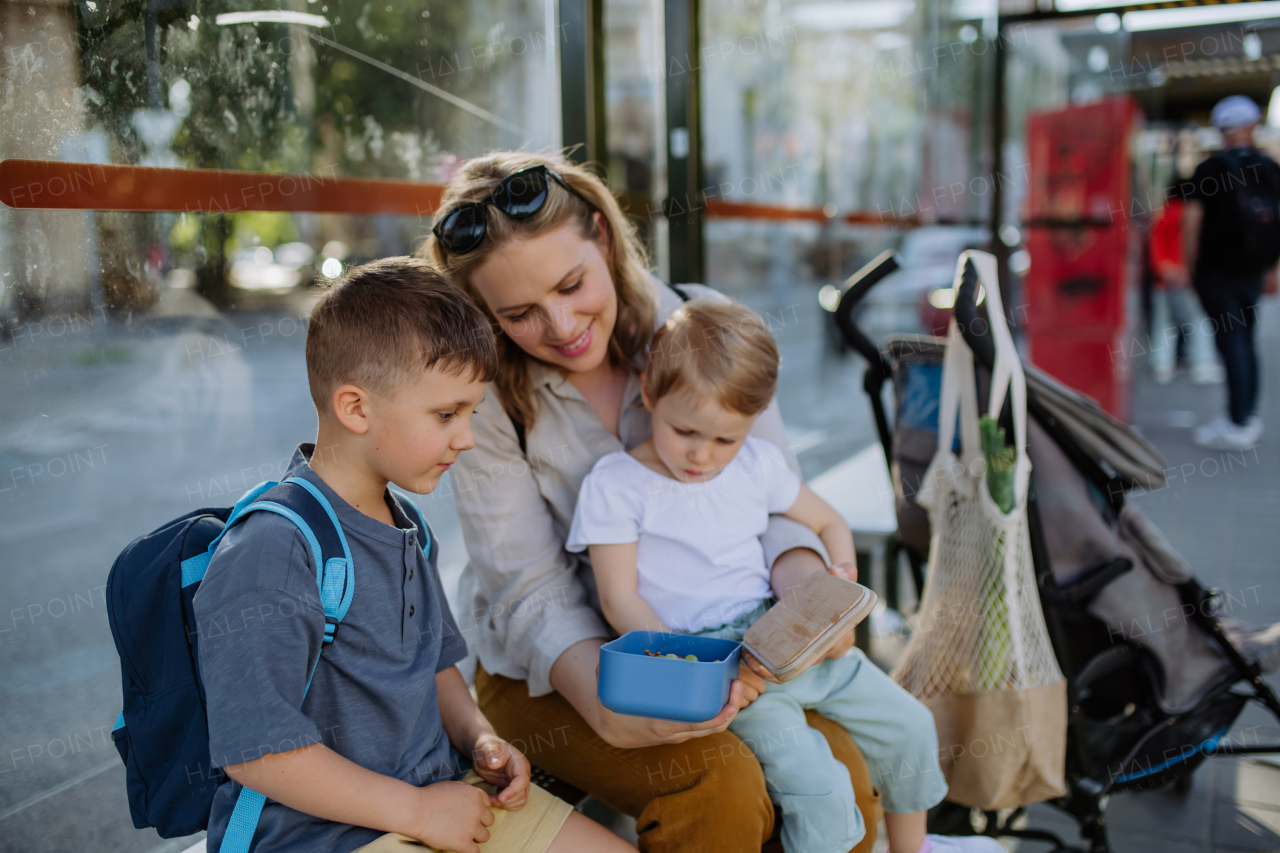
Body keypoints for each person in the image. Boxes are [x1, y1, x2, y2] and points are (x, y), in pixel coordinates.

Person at [423, 152, 885, 853]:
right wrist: (607, 705)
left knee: (846, 777)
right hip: (551, 666)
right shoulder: (486, 399)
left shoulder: (707, 326)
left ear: (604, 237)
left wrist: (804, 595)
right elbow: (528, 589)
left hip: (728, 640)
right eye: (518, 313)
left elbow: (777, 501)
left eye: (573, 284)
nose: (561, 325)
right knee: (717, 785)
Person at [193, 258, 634, 853]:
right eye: (447, 414)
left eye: (471, 413)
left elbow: (435, 665)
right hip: (319, 834)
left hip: (440, 792)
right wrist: (419, 811)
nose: (468, 437)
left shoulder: (408, 528)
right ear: (355, 408)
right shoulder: (275, 549)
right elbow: (259, 753)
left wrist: (478, 736)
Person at [566, 300, 994, 853]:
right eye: (685, 430)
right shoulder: (616, 483)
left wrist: (839, 584)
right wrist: (686, 668)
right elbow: (617, 595)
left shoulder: (756, 466)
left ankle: (914, 849)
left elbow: (828, 520)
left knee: (910, 725)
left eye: (726, 439)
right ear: (647, 393)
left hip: (786, 637)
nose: (702, 455)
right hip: (722, 665)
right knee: (821, 787)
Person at [1182, 95, 1280, 449]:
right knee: (1246, 340)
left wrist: (1191, 266)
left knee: (1231, 341)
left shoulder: (1212, 168)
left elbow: (1192, 222)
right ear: (1252, 126)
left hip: (1217, 270)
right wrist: (1273, 268)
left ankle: (1239, 421)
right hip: (1254, 270)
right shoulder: (1269, 167)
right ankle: (1244, 415)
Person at [1148, 179, 1219, 385]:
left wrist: (1163, 267)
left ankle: (1161, 365)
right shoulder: (1193, 214)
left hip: (1164, 275)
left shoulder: (1164, 213)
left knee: (1164, 323)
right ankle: (1202, 364)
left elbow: (1156, 244)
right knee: (1198, 322)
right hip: (1186, 277)